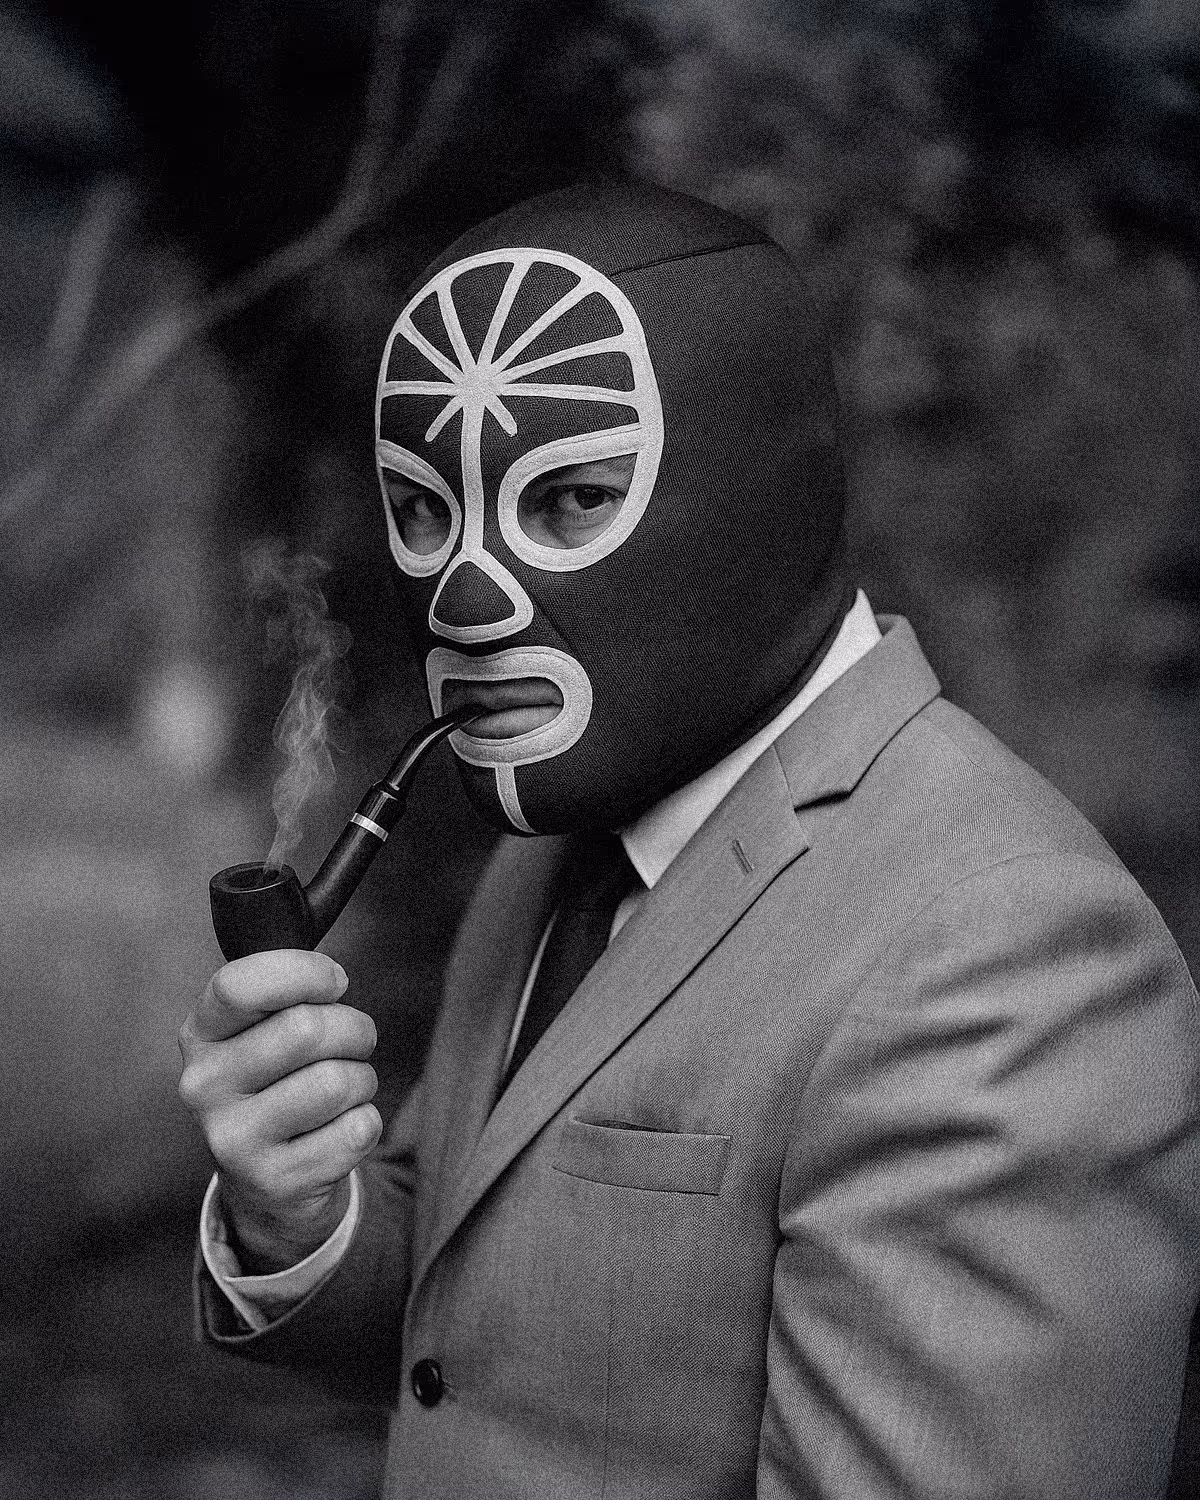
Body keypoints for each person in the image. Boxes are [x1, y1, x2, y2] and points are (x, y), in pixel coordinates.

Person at [179, 180, 1200, 1499]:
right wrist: (300, 1214)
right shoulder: (559, 850)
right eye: (428, 512)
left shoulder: (1002, 947)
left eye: (569, 499)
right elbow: (481, 1341)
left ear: (763, 493)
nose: (466, 593)